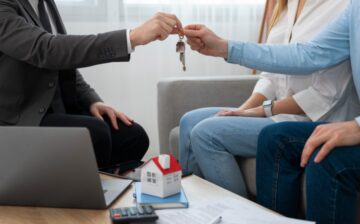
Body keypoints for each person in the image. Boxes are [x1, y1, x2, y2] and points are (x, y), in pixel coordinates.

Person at [184, 0, 360, 223]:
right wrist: (224, 48)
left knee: (208, 134)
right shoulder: (346, 7)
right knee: (190, 121)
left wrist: (263, 110)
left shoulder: (342, 5)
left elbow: (327, 92)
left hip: (318, 116)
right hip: (285, 114)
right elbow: (304, 56)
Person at [0, 0, 183, 169]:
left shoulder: (44, 2)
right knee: (95, 135)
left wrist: (91, 100)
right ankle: (84, 196)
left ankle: (108, 188)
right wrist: (132, 37)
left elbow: (64, 63)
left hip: (55, 108)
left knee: (134, 137)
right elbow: (47, 50)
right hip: (20, 117)